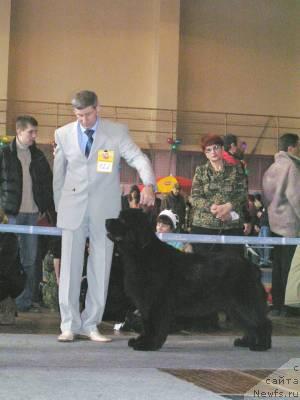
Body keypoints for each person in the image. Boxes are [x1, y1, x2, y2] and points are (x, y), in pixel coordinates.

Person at [53, 90, 156, 342]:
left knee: (101, 264)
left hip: (105, 210)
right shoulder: (63, 134)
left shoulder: (117, 132)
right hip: (72, 207)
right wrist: (59, 207)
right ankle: (68, 324)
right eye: (78, 115)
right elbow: (58, 174)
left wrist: (149, 184)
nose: (83, 120)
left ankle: (91, 324)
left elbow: (138, 158)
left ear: (97, 108)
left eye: (87, 114)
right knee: (69, 267)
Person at [0, 115, 54, 312]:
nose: (34, 136)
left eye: (35, 132)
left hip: (32, 215)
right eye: (31, 132)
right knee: (8, 258)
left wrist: (45, 207)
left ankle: (25, 301)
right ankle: (6, 300)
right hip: (10, 215)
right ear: (19, 131)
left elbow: (48, 183)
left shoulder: (39, 156)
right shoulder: (4, 154)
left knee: (31, 260)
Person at [191, 133, 248, 255]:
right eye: (208, 150)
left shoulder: (236, 169)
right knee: (204, 269)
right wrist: (212, 207)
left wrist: (229, 206)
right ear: (205, 154)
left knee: (233, 269)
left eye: (216, 147)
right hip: (204, 227)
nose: (213, 152)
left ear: (222, 149)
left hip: (231, 226)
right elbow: (195, 197)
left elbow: (243, 194)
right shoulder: (200, 171)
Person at [263, 133, 300, 316]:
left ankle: (277, 303)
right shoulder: (291, 166)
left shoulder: (272, 167)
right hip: (290, 225)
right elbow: (296, 197)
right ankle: (288, 305)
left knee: (277, 266)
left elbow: (266, 197)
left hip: (274, 225)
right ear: (292, 147)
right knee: (290, 267)